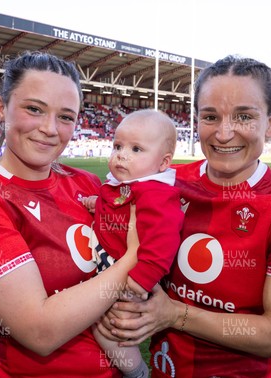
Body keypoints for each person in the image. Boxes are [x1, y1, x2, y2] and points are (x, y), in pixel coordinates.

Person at [99, 55, 271, 377]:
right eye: (210, 117)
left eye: (244, 116)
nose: (224, 133)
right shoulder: (164, 183)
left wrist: (174, 314)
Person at [0, 51, 139, 377]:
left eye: (65, 117)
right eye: (34, 109)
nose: (50, 129)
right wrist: (137, 258)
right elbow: (39, 331)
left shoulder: (87, 184)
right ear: (1, 107)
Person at [81, 109, 184, 378]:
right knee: (96, 320)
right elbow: (115, 205)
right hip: (114, 268)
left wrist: (140, 281)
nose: (122, 154)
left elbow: (164, 240)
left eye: (136, 149)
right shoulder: (125, 185)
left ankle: (137, 372)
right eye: (118, 146)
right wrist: (97, 204)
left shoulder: (156, 193)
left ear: (163, 163)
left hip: (134, 278)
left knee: (111, 327)